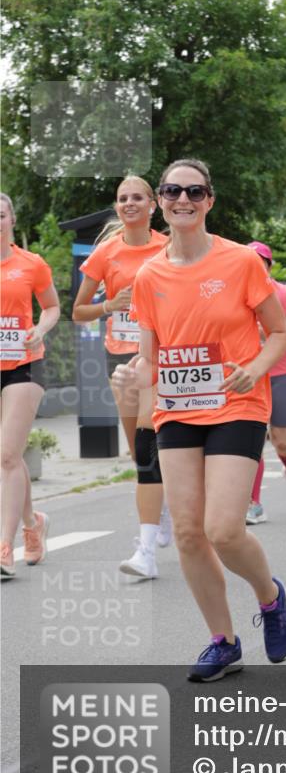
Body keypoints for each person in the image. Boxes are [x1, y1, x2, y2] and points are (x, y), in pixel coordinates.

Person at [113, 158, 286, 681]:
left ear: (209, 200)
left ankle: (269, 595)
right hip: (177, 407)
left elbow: (279, 334)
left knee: (223, 529)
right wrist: (133, 375)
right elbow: (149, 356)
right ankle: (223, 641)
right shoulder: (149, 274)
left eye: (194, 191)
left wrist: (255, 368)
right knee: (190, 533)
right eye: (172, 191)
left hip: (237, 402)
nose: (182, 199)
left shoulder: (240, 262)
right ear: (162, 202)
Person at [73, 176, 171, 579]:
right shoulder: (105, 253)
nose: (130, 203)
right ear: (117, 208)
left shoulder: (168, 247)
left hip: (162, 358)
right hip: (122, 359)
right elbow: (78, 310)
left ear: (152, 205)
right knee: (138, 452)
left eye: (138, 197)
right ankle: (160, 508)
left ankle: (145, 550)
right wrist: (110, 304)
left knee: (147, 446)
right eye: (123, 198)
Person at [1, 192, 60, 578]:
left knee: (6, 455)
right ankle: (32, 523)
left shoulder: (31, 264)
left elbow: (52, 306)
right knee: (12, 456)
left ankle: (4, 549)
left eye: (0, 214)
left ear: (11, 219)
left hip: (24, 364)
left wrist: (39, 330)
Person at [245, 240, 286, 524]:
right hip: (250, 376)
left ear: (268, 266)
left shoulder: (281, 293)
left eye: (260, 262)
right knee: (251, 441)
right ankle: (253, 503)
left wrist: (269, 333)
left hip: (283, 375)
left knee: (283, 442)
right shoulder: (234, 294)